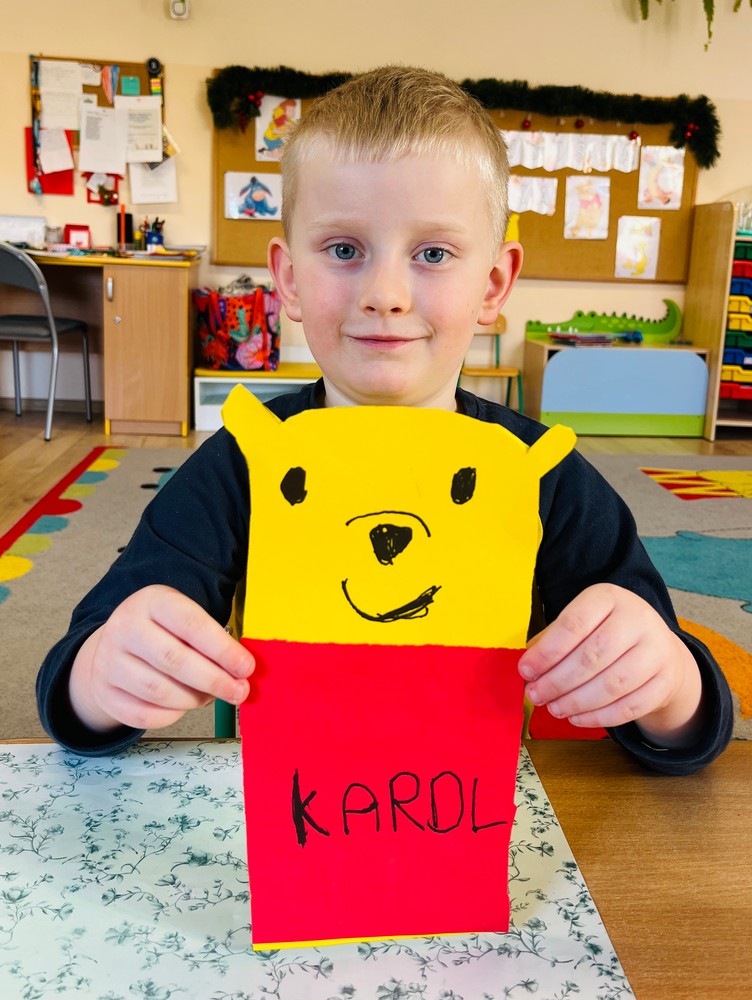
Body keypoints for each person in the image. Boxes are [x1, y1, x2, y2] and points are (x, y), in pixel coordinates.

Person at [37, 66, 732, 772]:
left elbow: (682, 714)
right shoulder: (246, 462)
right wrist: (101, 678)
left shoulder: (541, 474)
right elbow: (81, 673)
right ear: (289, 280)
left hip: (471, 810)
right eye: (344, 250)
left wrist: (670, 685)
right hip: (293, 808)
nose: (386, 294)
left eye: (433, 253)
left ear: (493, 284)